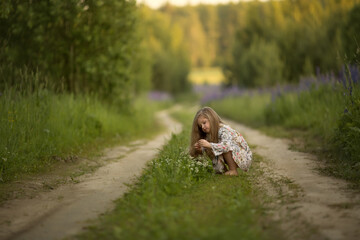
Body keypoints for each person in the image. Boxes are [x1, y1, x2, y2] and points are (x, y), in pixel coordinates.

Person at [189, 107, 252, 176]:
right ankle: (222, 170)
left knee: (222, 146)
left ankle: (233, 170)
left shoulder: (223, 130)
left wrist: (209, 145)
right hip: (234, 154)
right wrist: (201, 149)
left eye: (204, 123)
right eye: (200, 126)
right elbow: (212, 147)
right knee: (210, 147)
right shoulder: (210, 134)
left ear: (212, 119)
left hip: (243, 157)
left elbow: (226, 146)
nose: (203, 127)